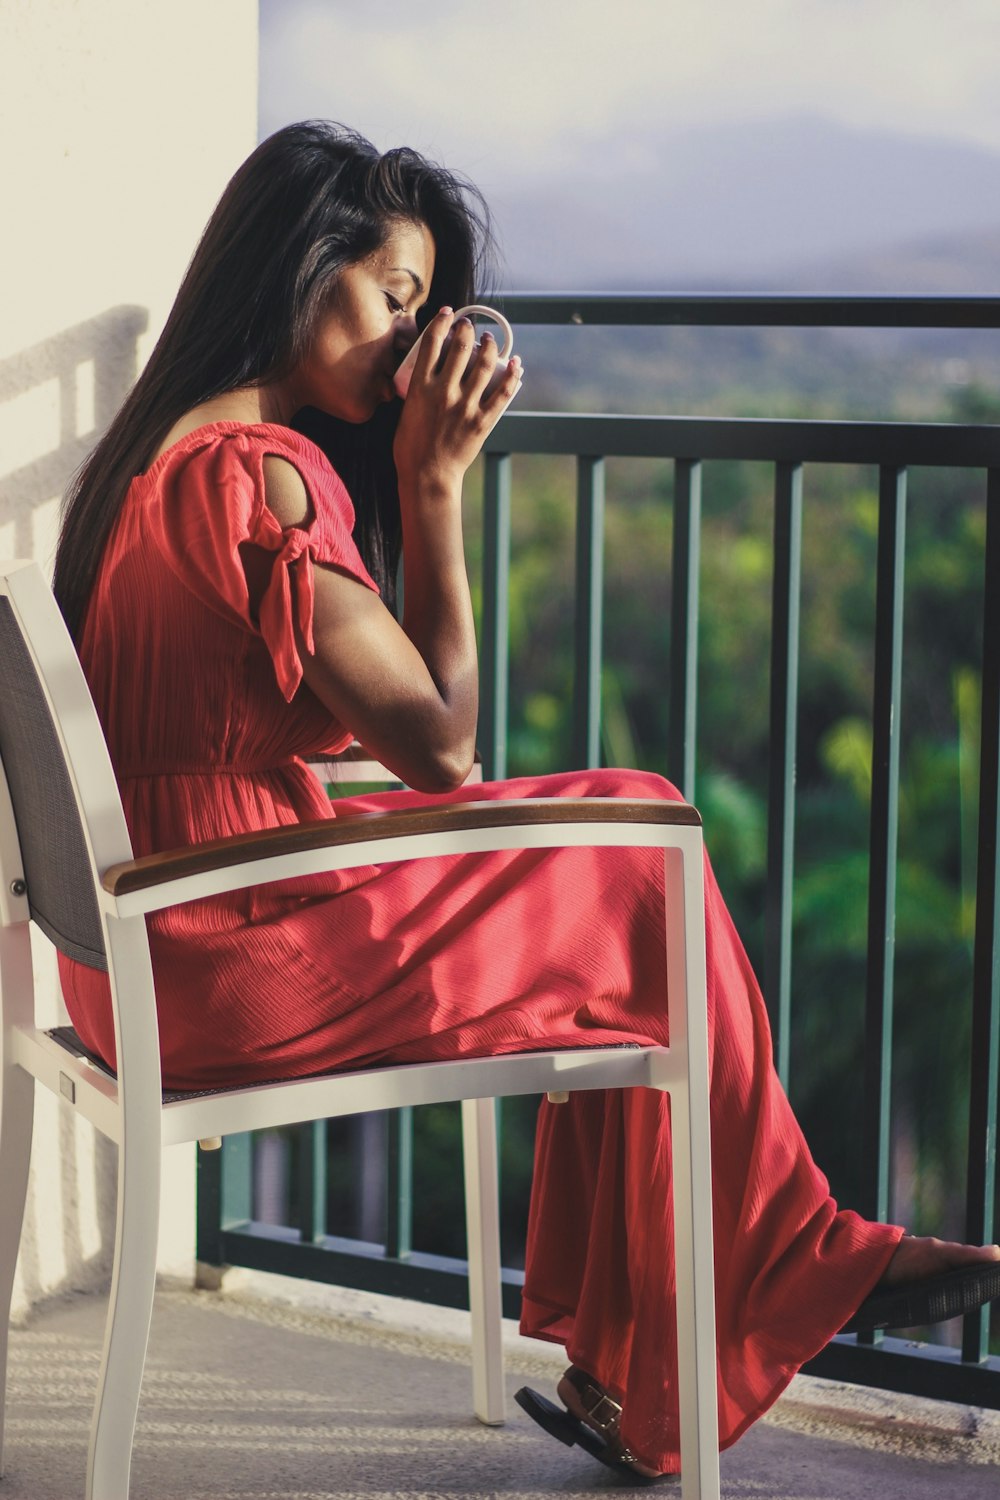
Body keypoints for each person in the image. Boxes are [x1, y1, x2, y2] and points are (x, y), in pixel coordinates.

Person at [52, 121, 1000, 1481]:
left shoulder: (161, 463)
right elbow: (442, 742)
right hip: (222, 952)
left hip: (167, 937)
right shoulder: (248, 476)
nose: (415, 337)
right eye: (398, 298)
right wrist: (435, 482)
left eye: (430, 308)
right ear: (298, 272)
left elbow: (267, 726)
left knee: (626, 857)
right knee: (645, 842)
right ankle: (752, 1287)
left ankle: (670, 1348)